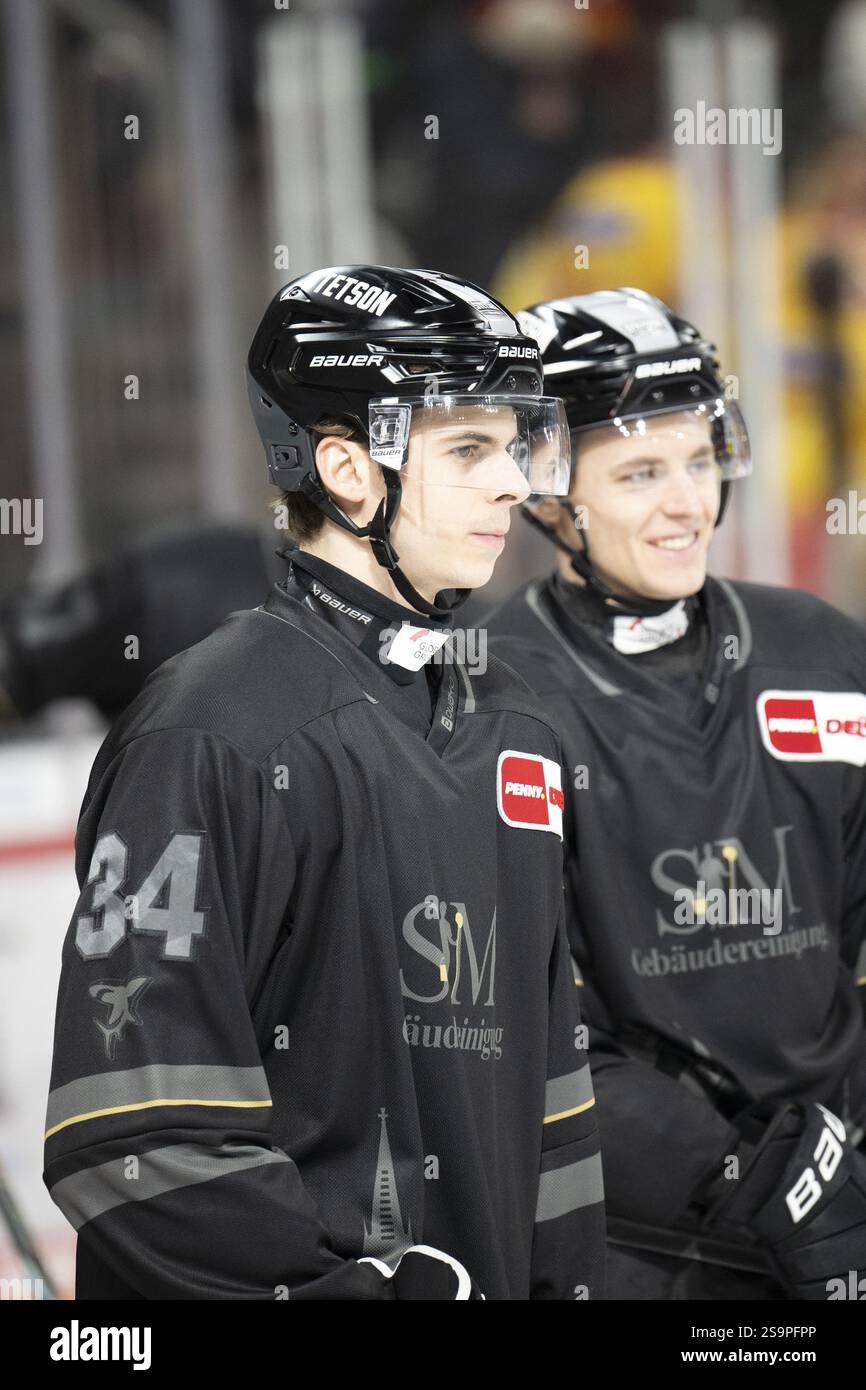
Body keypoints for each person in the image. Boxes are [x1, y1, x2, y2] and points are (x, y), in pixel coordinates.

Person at [42, 264, 605, 1301]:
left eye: (517, 444)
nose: (514, 483)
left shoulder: (518, 725)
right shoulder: (211, 730)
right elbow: (129, 1137)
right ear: (348, 469)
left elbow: (551, 1112)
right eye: (470, 448)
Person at [483, 287, 866, 1300]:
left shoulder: (821, 650)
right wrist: (744, 1171)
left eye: (698, 460)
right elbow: (512, 1021)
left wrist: (836, 1165)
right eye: (641, 472)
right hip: (636, 1242)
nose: (686, 503)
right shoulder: (483, 695)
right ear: (547, 493)